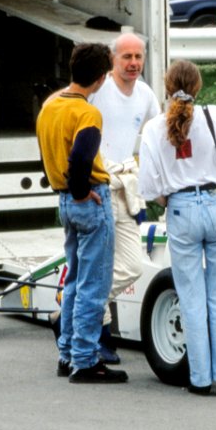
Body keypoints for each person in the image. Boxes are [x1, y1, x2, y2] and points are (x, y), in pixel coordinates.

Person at [137, 60, 216, 397]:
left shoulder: (153, 129)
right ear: (198, 86)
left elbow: (150, 189)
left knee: (191, 298)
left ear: (166, 87)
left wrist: (175, 201)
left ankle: (199, 379)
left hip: (181, 208)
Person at [36, 42, 127, 384]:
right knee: (94, 284)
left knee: (74, 279)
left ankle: (67, 352)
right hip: (89, 200)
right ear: (102, 78)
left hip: (63, 201)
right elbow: (82, 158)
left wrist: (69, 192)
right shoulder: (88, 113)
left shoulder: (50, 105)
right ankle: (86, 360)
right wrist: (81, 190)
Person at [89, 33, 161, 364]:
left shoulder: (145, 94)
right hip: (95, 188)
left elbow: (158, 137)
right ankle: (98, 335)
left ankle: (71, 312)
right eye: (126, 57)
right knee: (97, 265)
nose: (133, 63)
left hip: (126, 188)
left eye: (138, 57)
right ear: (112, 59)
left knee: (131, 265)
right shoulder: (98, 88)